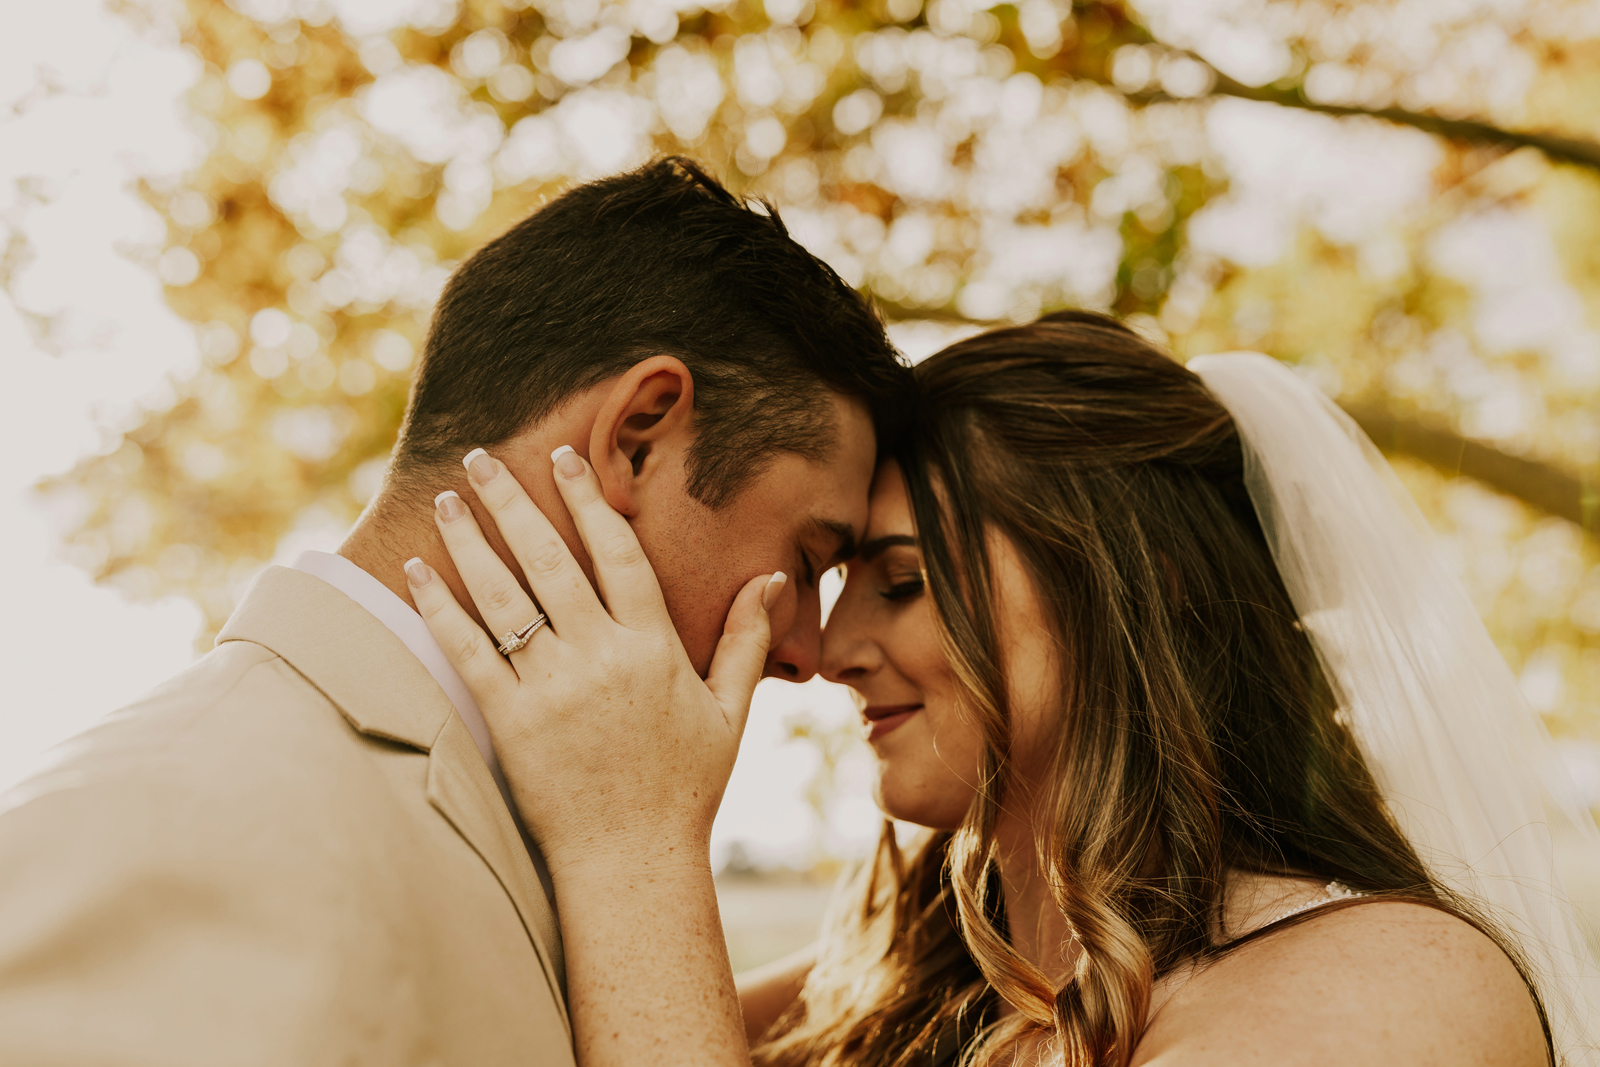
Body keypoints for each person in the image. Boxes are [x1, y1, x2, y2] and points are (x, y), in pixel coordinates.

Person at [414, 310, 1600, 1066]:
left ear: (1117, 593)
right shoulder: (897, 980)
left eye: (903, 580)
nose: (823, 654)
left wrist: (632, 831)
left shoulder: (1387, 988)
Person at [0, 158, 908, 1064]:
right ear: (637, 438)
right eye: (809, 558)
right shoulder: (168, 827)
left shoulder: (564, 816)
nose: (806, 651)